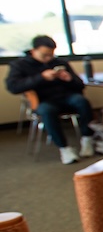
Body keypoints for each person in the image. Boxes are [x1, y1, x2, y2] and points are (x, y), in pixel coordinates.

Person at [6, 35, 95, 164]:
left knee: (82, 102)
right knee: (48, 111)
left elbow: (80, 85)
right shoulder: (20, 65)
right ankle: (64, 148)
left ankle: (87, 139)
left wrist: (69, 79)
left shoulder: (60, 63)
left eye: (51, 55)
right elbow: (13, 87)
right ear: (33, 51)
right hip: (42, 100)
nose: (48, 58)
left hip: (65, 97)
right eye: (44, 55)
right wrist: (41, 77)